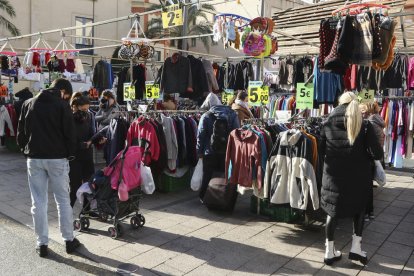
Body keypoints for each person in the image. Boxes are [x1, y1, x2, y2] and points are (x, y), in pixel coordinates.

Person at [17, 78, 81, 258]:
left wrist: (25, 150)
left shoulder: (28, 103)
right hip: (57, 158)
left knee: (38, 201)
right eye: (67, 96)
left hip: (34, 158)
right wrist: (70, 154)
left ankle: (42, 243)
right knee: (62, 200)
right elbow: (70, 133)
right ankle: (68, 240)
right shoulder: (62, 106)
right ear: (63, 92)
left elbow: (21, 132)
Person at [320, 92, 382, 266]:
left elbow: (322, 149)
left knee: (332, 211)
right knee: (358, 209)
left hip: (333, 176)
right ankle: (355, 248)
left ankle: (329, 251)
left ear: (340, 103)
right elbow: (377, 153)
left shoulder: (326, 123)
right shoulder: (365, 125)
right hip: (358, 176)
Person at [69, 93, 97, 208]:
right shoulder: (69, 118)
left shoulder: (89, 116)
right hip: (74, 157)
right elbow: (68, 140)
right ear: (76, 106)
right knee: (74, 186)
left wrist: (95, 140)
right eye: (83, 109)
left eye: (87, 109)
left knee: (88, 184)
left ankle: (87, 210)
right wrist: (82, 144)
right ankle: (67, 210)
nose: (86, 111)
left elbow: (92, 133)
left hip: (87, 155)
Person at [360, 102, 385, 221]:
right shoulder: (378, 121)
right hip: (373, 157)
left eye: (362, 111)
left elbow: (370, 143)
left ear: (367, 111)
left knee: (366, 187)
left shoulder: (370, 123)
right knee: (368, 186)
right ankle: (370, 212)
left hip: (368, 158)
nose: (361, 114)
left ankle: (366, 212)